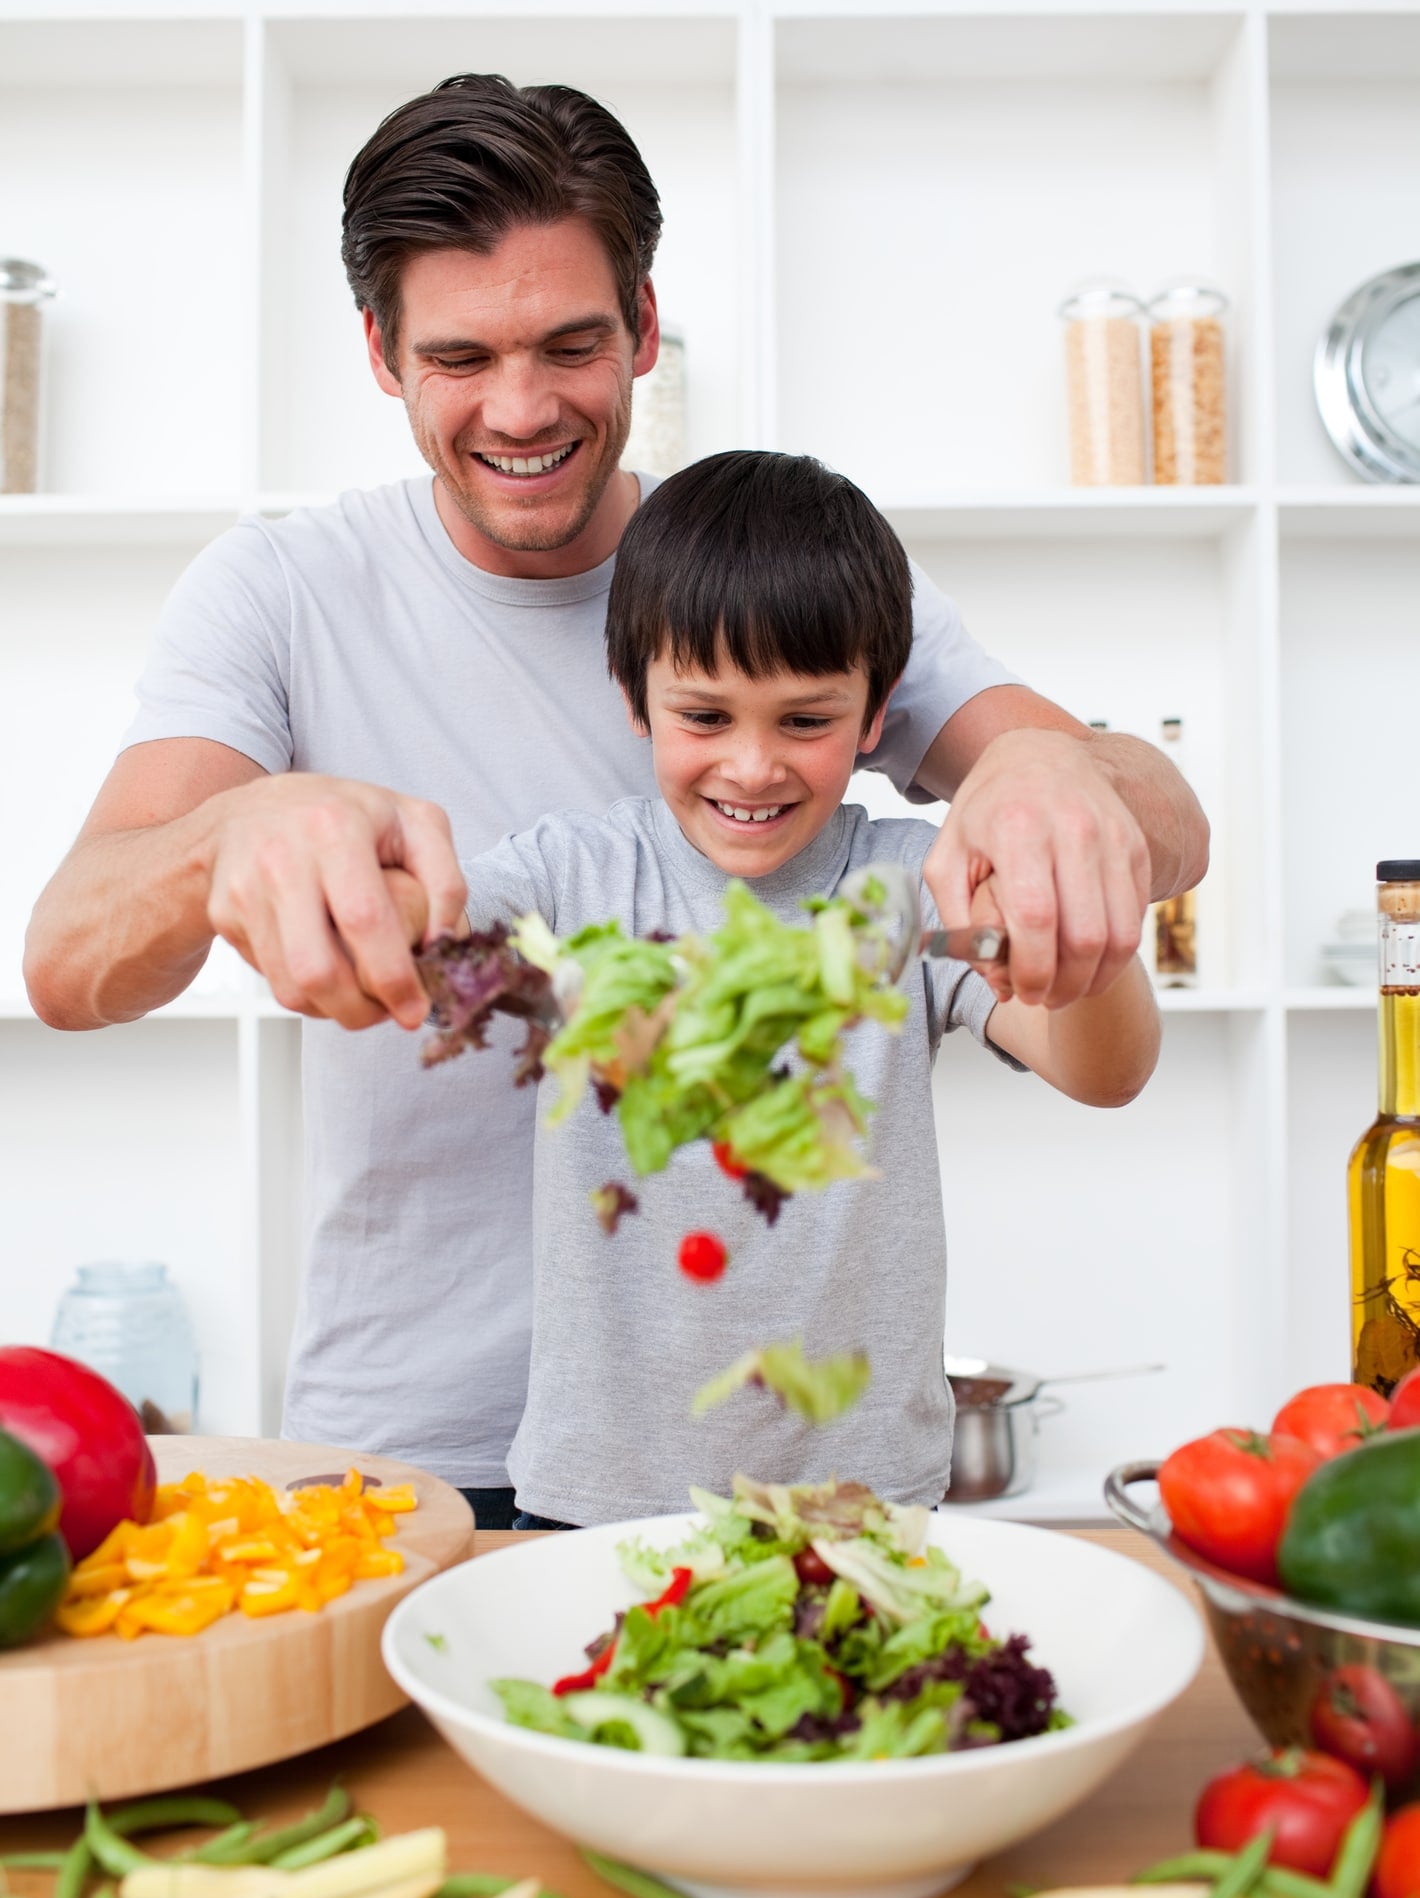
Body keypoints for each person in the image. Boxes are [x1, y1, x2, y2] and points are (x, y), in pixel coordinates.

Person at [22, 75, 1205, 1527]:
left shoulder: (760, 577)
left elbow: (1167, 833)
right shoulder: (279, 594)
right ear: (383, 355)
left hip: (797, 1472)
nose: (522, 410)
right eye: (461, 356)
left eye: (571, 345)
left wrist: (1049, 767)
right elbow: (70, 962)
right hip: (412, 1449)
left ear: (644, 327)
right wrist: (223, 842)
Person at [448, 449, 1160, 1527]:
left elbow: (1108, 1073)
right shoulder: (566, 877)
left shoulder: (912, 885)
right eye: (704, 716)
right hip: (597, 1499)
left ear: (876, 716)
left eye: (805, 721)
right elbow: (422, 945)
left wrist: (1078, 940)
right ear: (633, 696)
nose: (750, 766)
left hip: (863, 1501)